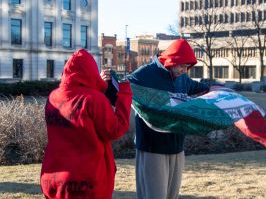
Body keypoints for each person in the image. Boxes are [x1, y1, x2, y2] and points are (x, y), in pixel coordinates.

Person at [40, 49, 132, 199]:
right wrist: (125, 94)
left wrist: (97, 87)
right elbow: (115, 129)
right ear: (91, 71)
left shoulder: (53, 97)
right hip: (87, 180)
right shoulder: (94, 99)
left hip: (53, 178)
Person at [128, 39, 210, 199]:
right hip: (152, 148)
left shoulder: (181, 78)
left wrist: (218, 90)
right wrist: (107, 81)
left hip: (177, 147)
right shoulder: (144, 75)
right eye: (182, 66)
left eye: (187, 67)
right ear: (171, 59)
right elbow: (121, 89)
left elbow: (197, 87)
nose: (184, 70)